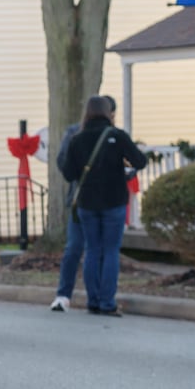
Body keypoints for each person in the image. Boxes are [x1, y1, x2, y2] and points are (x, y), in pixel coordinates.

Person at [59, 95, 147, 317]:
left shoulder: (77, 139)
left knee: (92, 250)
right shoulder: (116, 136)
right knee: (110, 251)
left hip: (87, 203)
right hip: (114, 200)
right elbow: (140, 161)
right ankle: (107, 302)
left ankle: (93, 301)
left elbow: (68, 173)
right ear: (109, 113)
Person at [51, 95, 119, 312]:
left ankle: (98, 297)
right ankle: (64, 294)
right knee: (75, 247)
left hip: (106, 201)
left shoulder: (115, 136)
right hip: (81, 199)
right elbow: (63, 163)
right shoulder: (74, 133)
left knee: (97, 250)